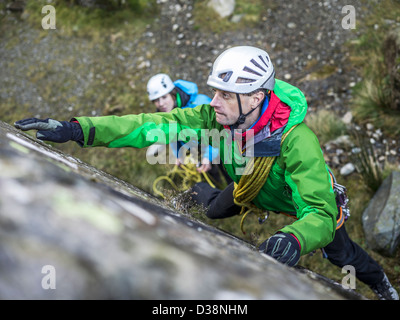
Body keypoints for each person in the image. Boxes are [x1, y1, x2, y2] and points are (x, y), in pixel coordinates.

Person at [14, 46, 398, 300]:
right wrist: (79, 129)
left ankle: (379, 283)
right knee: (214, 209)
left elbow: (319, 212)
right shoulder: (217, 118)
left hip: (302, 205)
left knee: (341, 253)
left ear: (257, 98)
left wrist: (295, 240)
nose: (213, 102)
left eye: (225, 95)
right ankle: (197, 195)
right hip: (250, 188)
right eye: (215, 91)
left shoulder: (298, 141)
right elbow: (151, 125)